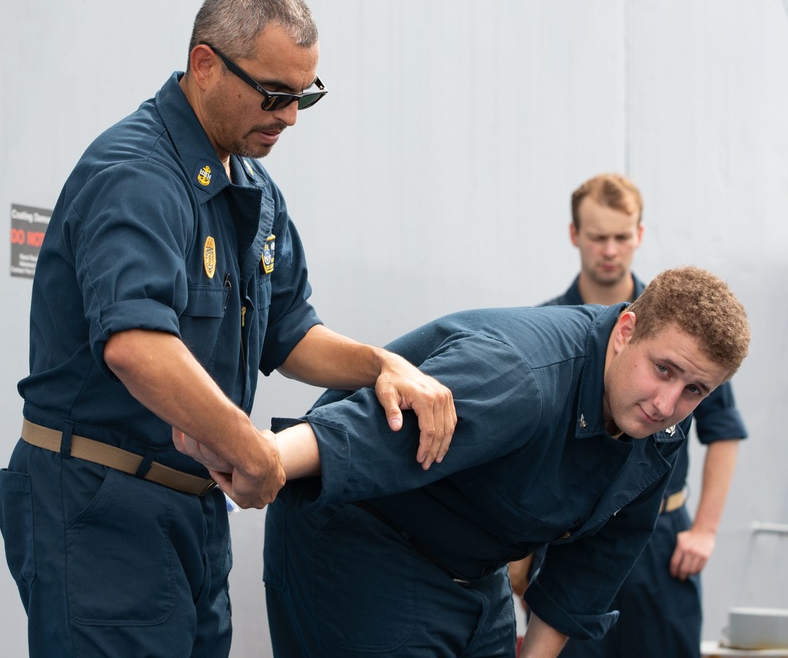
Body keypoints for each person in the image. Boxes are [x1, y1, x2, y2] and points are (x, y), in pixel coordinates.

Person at [0, 0, 456, 657]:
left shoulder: (252, 189)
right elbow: (135, 345)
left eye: (305, 96)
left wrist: (381, 366)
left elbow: (291, 332)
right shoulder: (138, 174)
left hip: (191, 512)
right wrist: (255, 454)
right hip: (102, 505)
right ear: (205, 65)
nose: (291, 116)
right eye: (275, 94)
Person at [178, 265, 752, 657]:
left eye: (696, 390)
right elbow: (379, 431)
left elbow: (594, 567)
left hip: (476, 572)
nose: (667, 403)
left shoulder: (661, 426)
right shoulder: (525, 375)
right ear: (626, 330)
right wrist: (262, 456)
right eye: (665, 370)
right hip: (363, 541)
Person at [509, 173, 748, 658]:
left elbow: (723, 430)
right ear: (575, 235)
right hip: (567, 536)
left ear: (639, 235)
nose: (610, 250)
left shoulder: (684, 332)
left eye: (622, 236)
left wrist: (703, 530)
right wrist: (519, 555)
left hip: (659, 541)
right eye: (598, 237)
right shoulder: (548, 330)